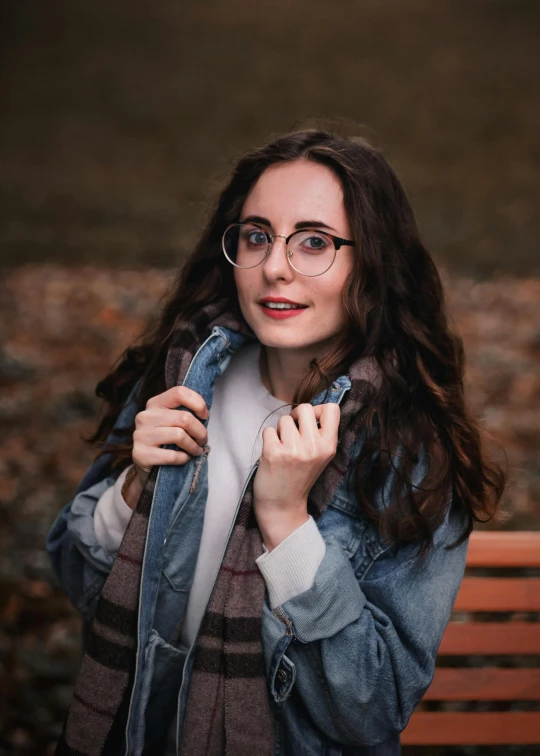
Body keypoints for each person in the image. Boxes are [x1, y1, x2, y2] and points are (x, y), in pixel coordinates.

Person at [46, 128, 505, 756]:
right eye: (258, 236)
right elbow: (77, 579)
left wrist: (288, 523)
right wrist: (130, 487)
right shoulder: (183, 375)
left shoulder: (409, 450)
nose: (275, 267)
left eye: (314, 242)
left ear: (371, 262)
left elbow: (372, 710)